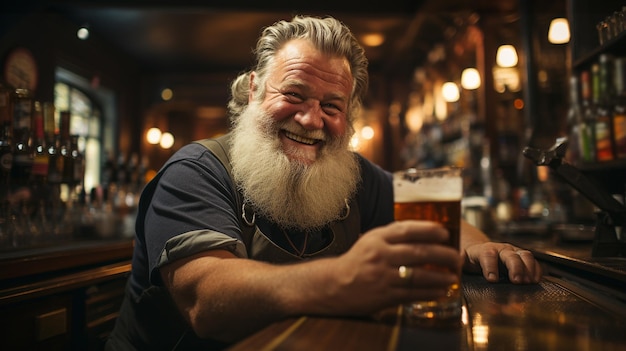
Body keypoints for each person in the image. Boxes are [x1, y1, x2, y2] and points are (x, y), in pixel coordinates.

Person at [106, 15, 542, 350]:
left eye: (331, 105)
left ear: (348, 117)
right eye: (293, 95)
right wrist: (342, 279)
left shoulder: (352, 174)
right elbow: (205, 299)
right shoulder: (196, 169)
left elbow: (437, 218)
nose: (311, 120)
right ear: (254, 89)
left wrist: (479, 244)